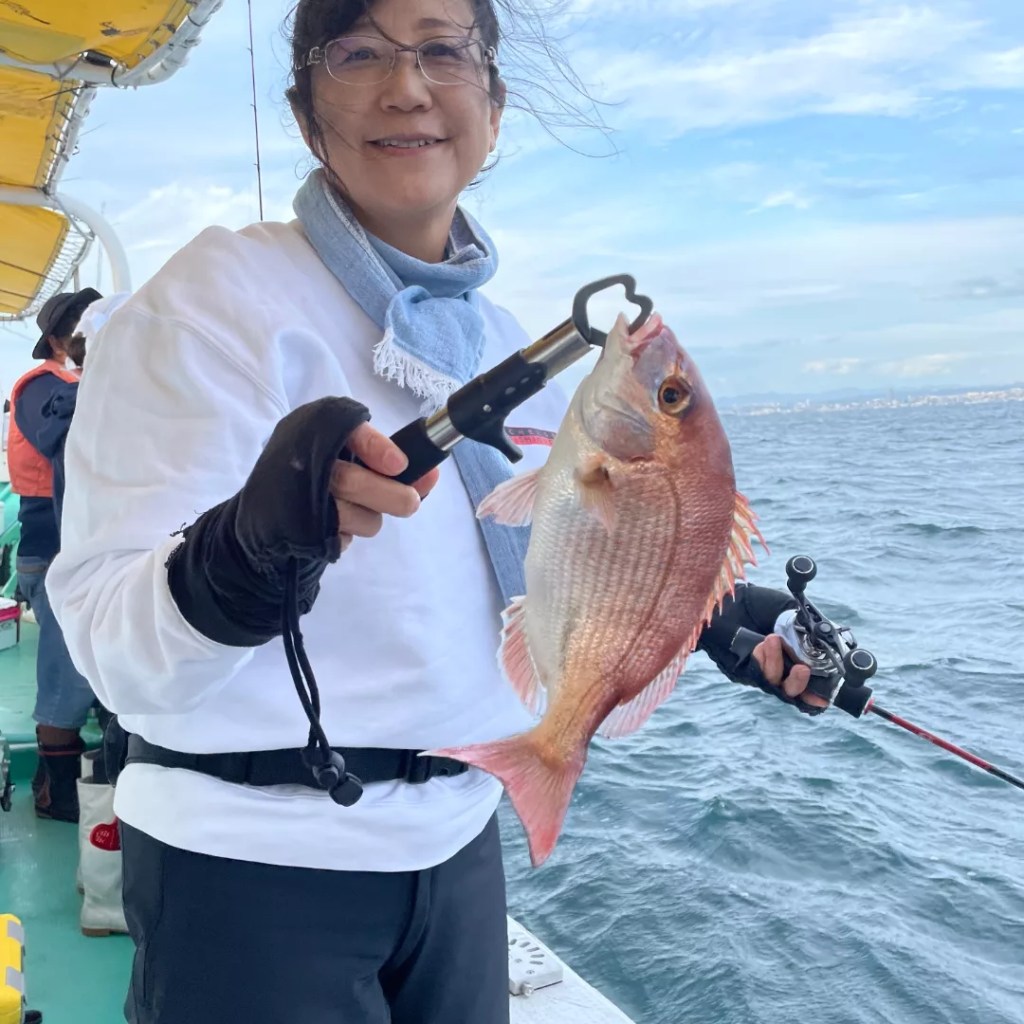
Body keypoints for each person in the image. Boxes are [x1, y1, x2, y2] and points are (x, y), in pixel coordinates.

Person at [47, 1, 823, 1021]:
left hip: (459, 843)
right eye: (358, 52)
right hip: (248, 858)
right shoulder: (210, 301)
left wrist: (714, 618)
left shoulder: (506, 342)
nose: (406, 86)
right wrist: (238, 554)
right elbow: (113, 650)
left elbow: (570, 552)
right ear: (305, 110)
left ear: (493, 108)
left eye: (443, 50)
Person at [8, 286, 102, 822]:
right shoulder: (42, 386)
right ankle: (56, 791)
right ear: (59, 342)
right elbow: (62, 436)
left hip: (90, 547)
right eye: (83, 330)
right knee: (69, 674)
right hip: (54, 552)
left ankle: (98, 783)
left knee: (101, 665)